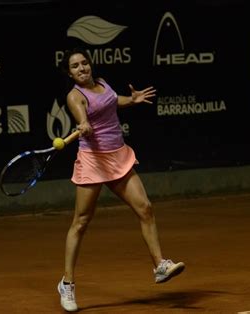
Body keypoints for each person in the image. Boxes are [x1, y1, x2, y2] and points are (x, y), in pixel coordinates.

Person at [57, 47, 185, 312]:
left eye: (84, 63)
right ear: (69, 73)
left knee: (145, 208)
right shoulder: (74, 96)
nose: (82, 68)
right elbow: (82, 113)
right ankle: (67, 283)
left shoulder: (102, 84)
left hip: (118, 156)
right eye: (75, 66)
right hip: (94, 161)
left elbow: (113, 102)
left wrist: (132, 99)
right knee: (81, 222)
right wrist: (84, 124)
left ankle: (160, 266)